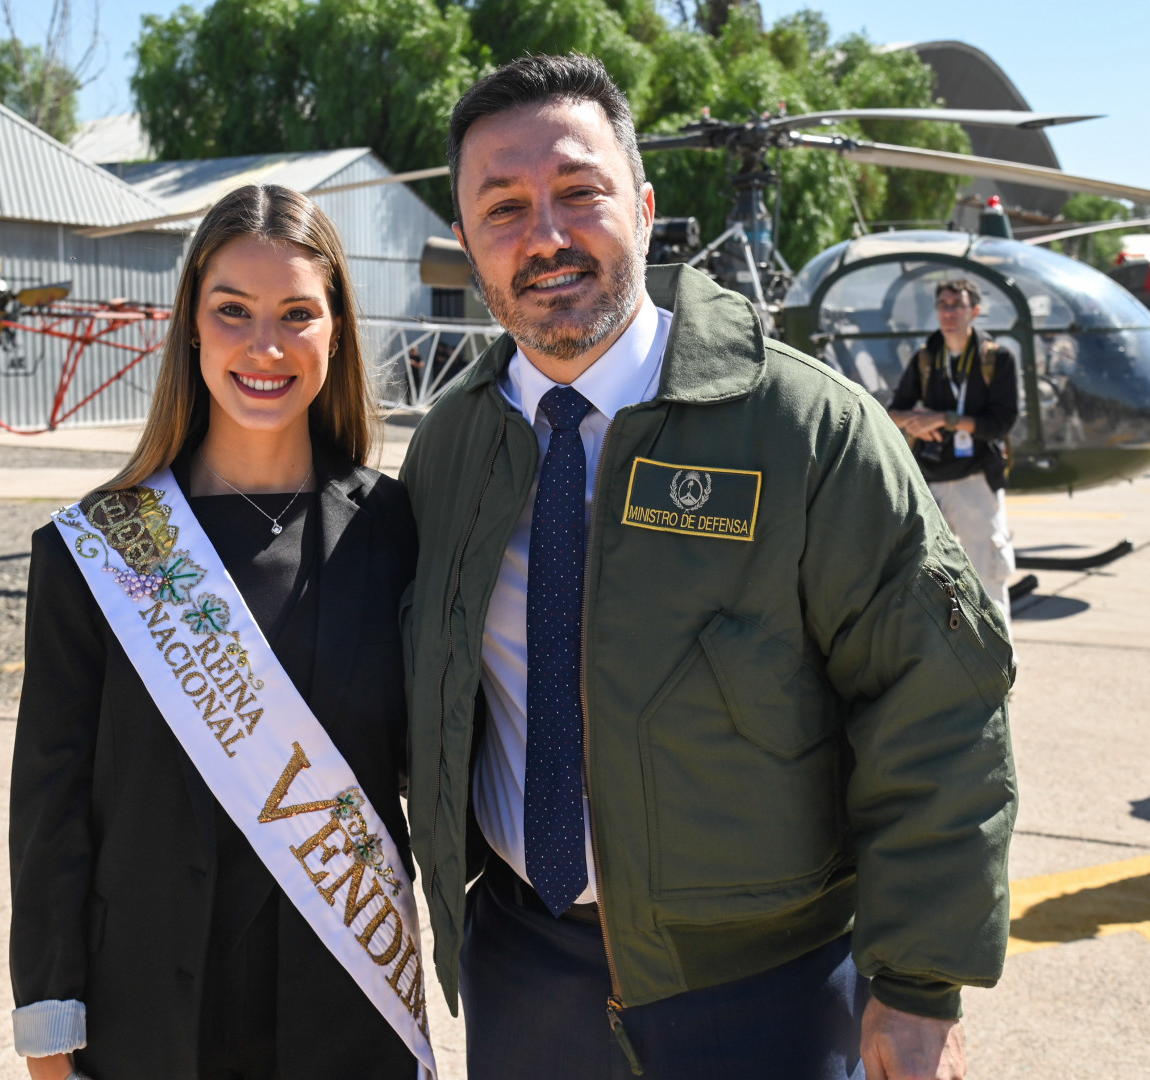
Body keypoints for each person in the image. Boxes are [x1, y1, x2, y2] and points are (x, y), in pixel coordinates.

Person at [399, 55, 1016, 1080]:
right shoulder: (450, 448)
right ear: (465, 245)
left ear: (644, 211)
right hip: (522, 970)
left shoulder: (806, 430)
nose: (545, 236)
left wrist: (917, 982)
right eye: (502, 208)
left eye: (579, 192)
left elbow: (935, 705)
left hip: (764, 989)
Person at [9, 185, 419, 1080]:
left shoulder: (395, 531)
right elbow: (49, 805)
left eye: (296, 314)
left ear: (337, 332)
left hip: (348, 1012)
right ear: (190, 327)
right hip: (147, 1017)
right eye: (232, 310)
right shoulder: (94, 550)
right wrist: (48, 1025)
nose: (264, 346)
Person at [888, 280, 1021, 627]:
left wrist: (946, 419)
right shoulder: (926, 358)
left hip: (976, 481)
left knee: (988, 578)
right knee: (921, 576)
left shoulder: (996, 358)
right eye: (943, 305)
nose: (948, 313)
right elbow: (893, 412)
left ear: (974, 311)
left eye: (957, 305)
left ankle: (998, 656)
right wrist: (916, 423)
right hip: (930, 482)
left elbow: (1001, 424)